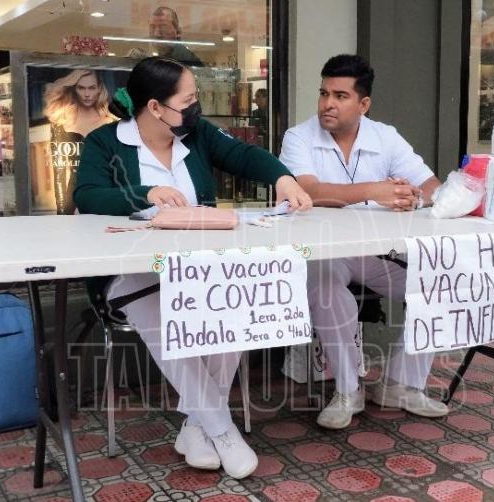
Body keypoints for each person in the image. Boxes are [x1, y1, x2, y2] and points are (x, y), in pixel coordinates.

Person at [74, 57, 312, 479]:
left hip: (198, 268)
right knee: (158, 311)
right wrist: (147, 194)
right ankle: (222, 429)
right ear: (155, 107)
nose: (196, 107)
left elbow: (242, 154)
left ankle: (196, 425)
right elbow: (89, 195)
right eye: (188, 101)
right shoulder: (105, 143)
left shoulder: (196, 135)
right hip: (130, 273)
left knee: (236, 311)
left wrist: (283, 178)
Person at [279, 54, 446, 430]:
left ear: (363, 104)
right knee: (324, 284)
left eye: (340, 96)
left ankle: (399, 385)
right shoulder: (299, 137)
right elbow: (307, 191)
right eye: (324, 93)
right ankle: (348, 389)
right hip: (325, 252)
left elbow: (432, 186)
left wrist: (413, 197)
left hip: (378, 253)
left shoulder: (385, 136)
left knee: (439, 283)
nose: (328, 104)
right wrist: (375, 190)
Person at [43, 69, 116, 214]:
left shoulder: (111, 122)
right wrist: (62, 211)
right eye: (81, 88)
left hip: (103, 195)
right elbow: (59, 172)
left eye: (92, 88)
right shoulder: (60, 122)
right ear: (74, 89)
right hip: (70, 197)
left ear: (99, 89)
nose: (87, 94)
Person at [126, 6, 203, 67]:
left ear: (178, 32)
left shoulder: (186, 59)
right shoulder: (146, 48)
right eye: (152, 27)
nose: (157, 34)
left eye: (163, 27)